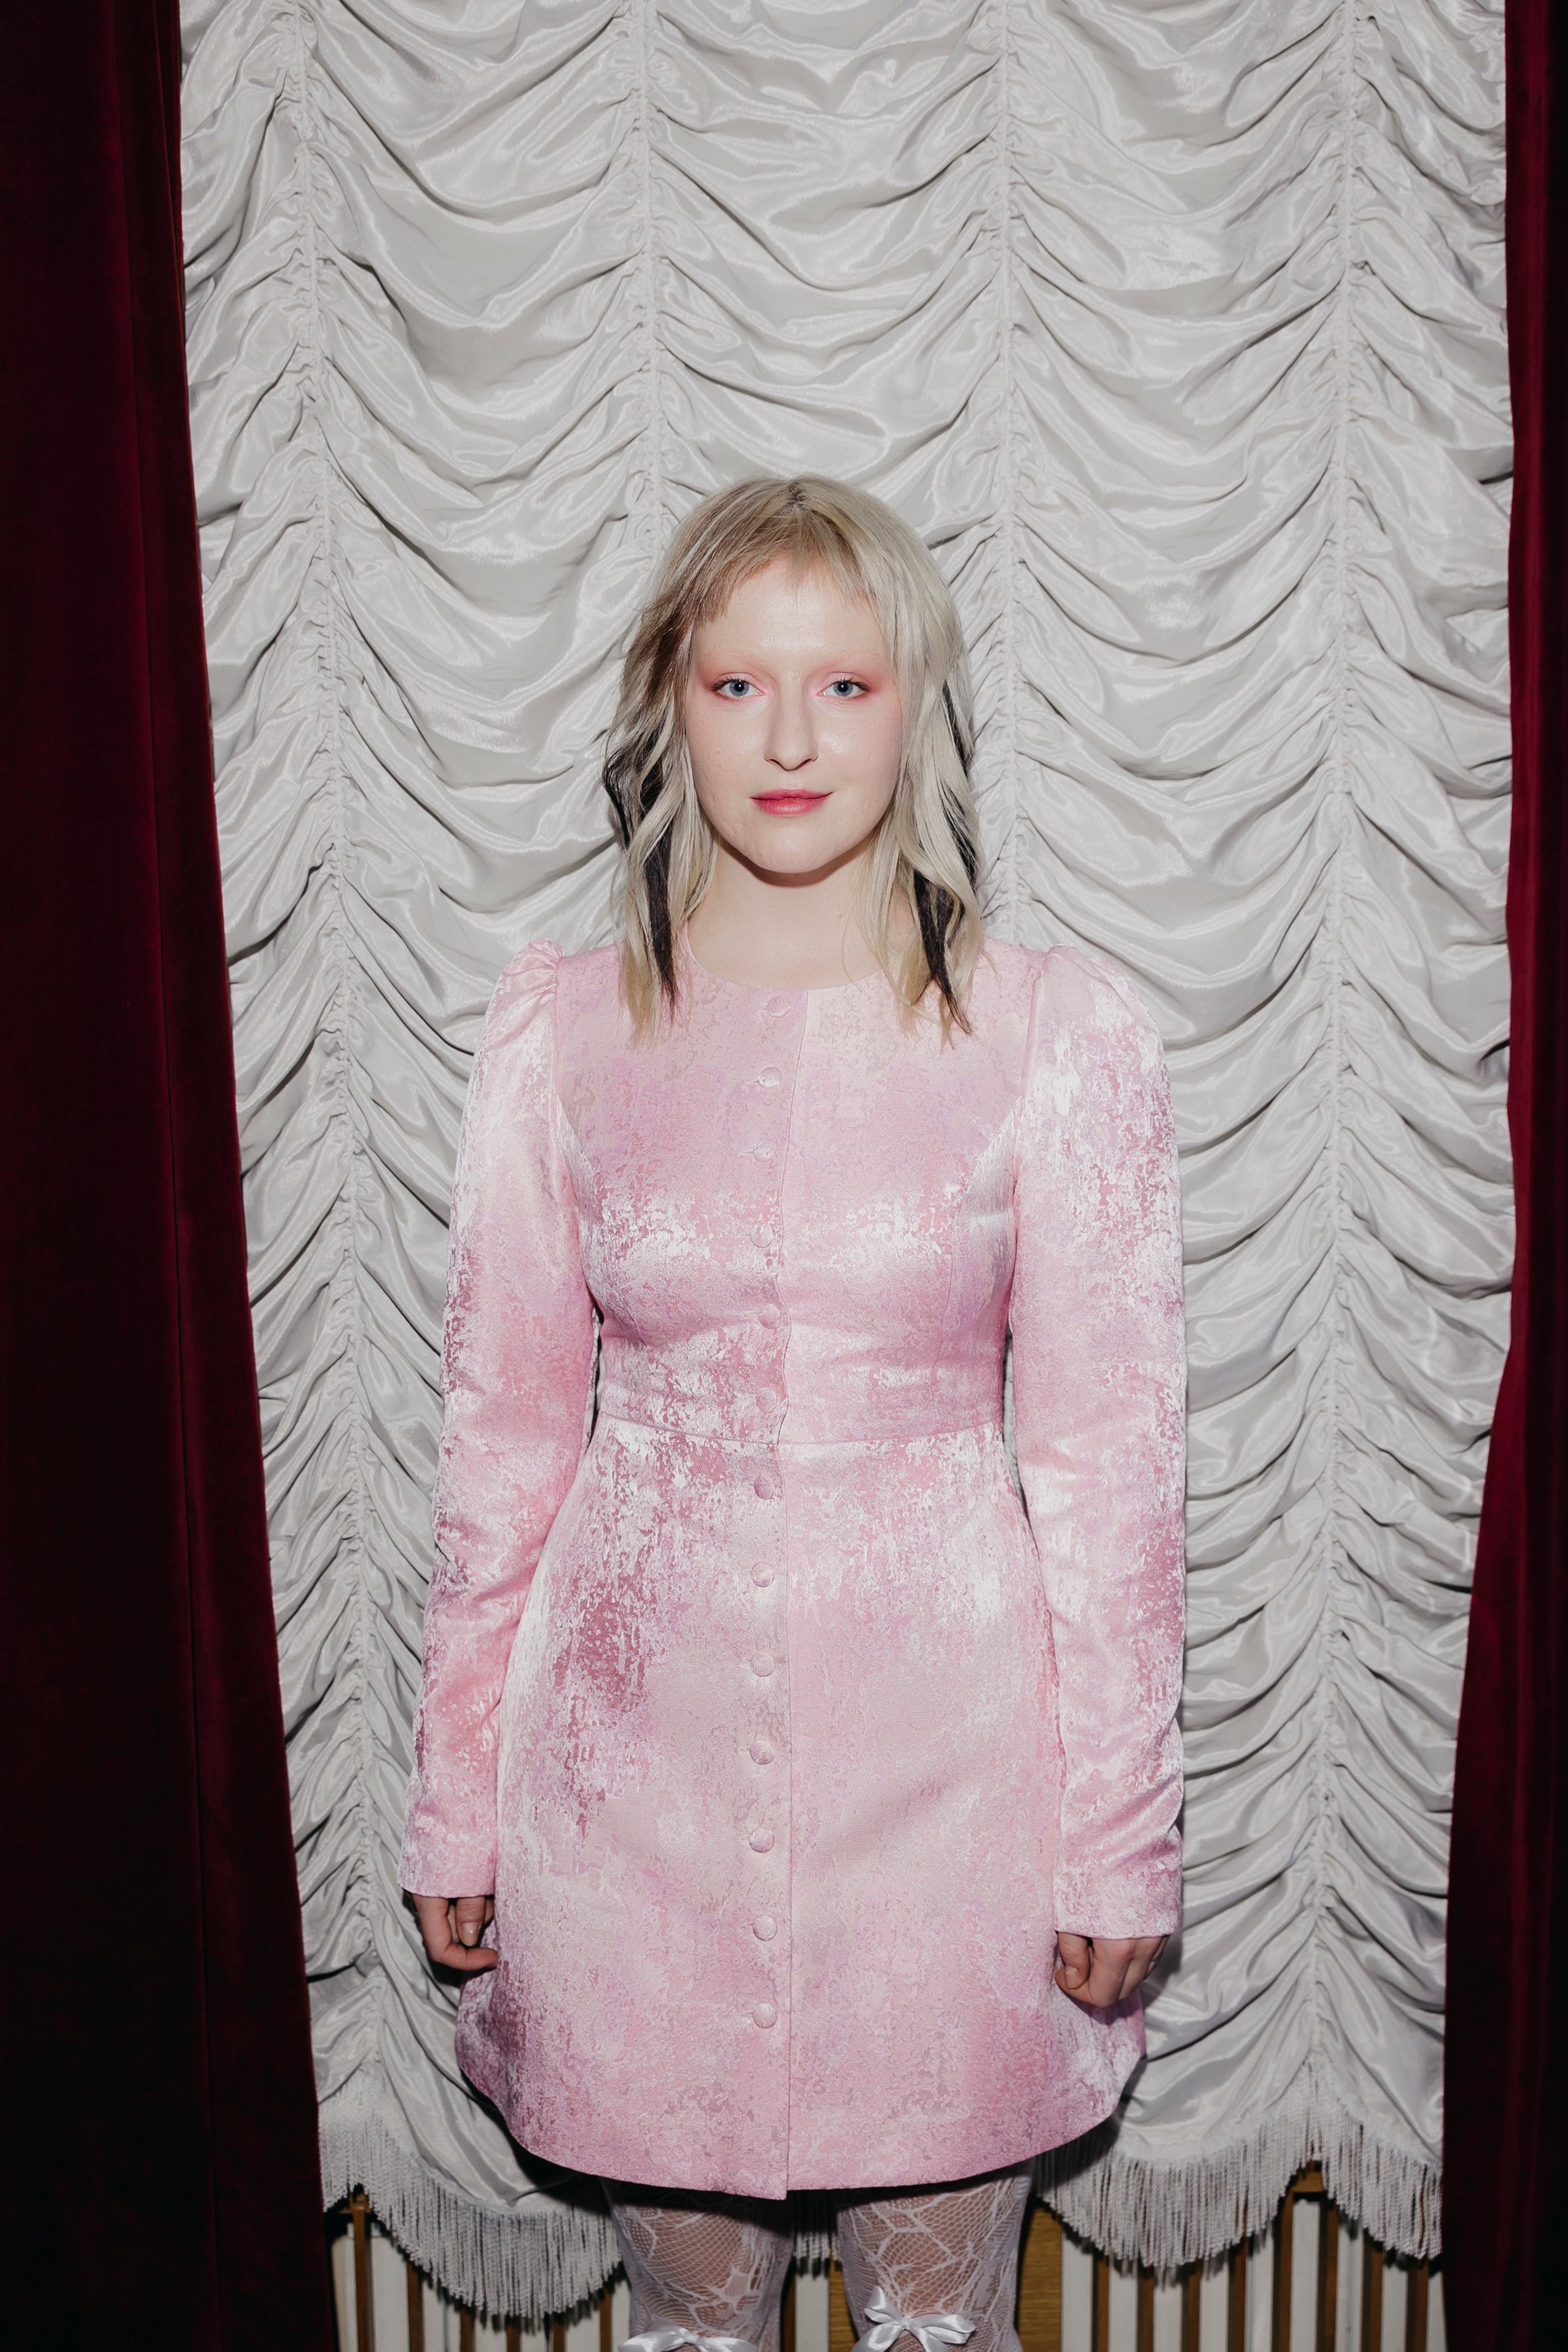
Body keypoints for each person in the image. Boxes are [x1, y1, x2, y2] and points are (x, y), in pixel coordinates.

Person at [399, 477, 1187, 2352]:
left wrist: (1118, 1839)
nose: (788, 739)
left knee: (936, 2334)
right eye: (738, 683)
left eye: (843, 685)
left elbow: (1110, 1478)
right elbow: (500, 1446)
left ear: (915, 709)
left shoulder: (1055, 1032)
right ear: (670, 703)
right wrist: (454, 1807)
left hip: (953, 1795)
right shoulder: (557, 1031)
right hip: (623, 1794)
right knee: (688, 2335)